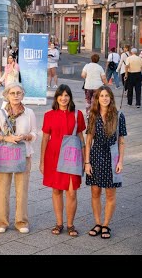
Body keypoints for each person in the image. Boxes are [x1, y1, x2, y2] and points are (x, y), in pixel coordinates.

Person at [0, 83, 37, 233]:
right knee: (2, 189)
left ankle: (21, 222)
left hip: (24, 154)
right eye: (12, 93)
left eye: (18, 93)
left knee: (22, 190)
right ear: (7, 95)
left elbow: (35, 134)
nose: (16, 96)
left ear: (23, 95)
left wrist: (26, 136)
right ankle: (1, 221)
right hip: (5, 154)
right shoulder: (0, 113)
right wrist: (6, 138)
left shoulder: (29, 113)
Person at [40, 84, 86, 237]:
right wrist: (41, 161)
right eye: (61, 95)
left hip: (72, 156)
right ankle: (59, 223)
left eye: (67, 95)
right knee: (56, 190)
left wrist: (86, 159)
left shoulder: (77, 114)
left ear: (70, 97)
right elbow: (45, 138)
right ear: (57, 97)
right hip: (53, 155)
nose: (64, 98)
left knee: (72, 192)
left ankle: (71, 224)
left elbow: (81, 137)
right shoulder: (49, 115)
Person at [85, 86, 126, 239]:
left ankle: (106, 225)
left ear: (111, 98)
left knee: (110, 193)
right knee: (95, 192)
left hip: (112, 155)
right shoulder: (92, 115)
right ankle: (97, 223)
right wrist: (87, 162)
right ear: (97, 98)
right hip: (95, 156)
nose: (104, 98)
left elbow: (121, 141)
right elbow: (88, 141)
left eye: (107, 95)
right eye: (101, 95)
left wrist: (120, 161)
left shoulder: (119, 115)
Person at [81, 54, 108, 118]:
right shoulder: (100, 67)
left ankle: (88, 114)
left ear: (91, 59)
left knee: (88, 100)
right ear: (98, 60)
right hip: (97, 87)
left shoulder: (87, 66)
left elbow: (83, 75)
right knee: (95, 101)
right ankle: (94, 113)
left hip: (88, 86)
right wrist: (106, 84)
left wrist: (88, 77)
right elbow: (103, 78)